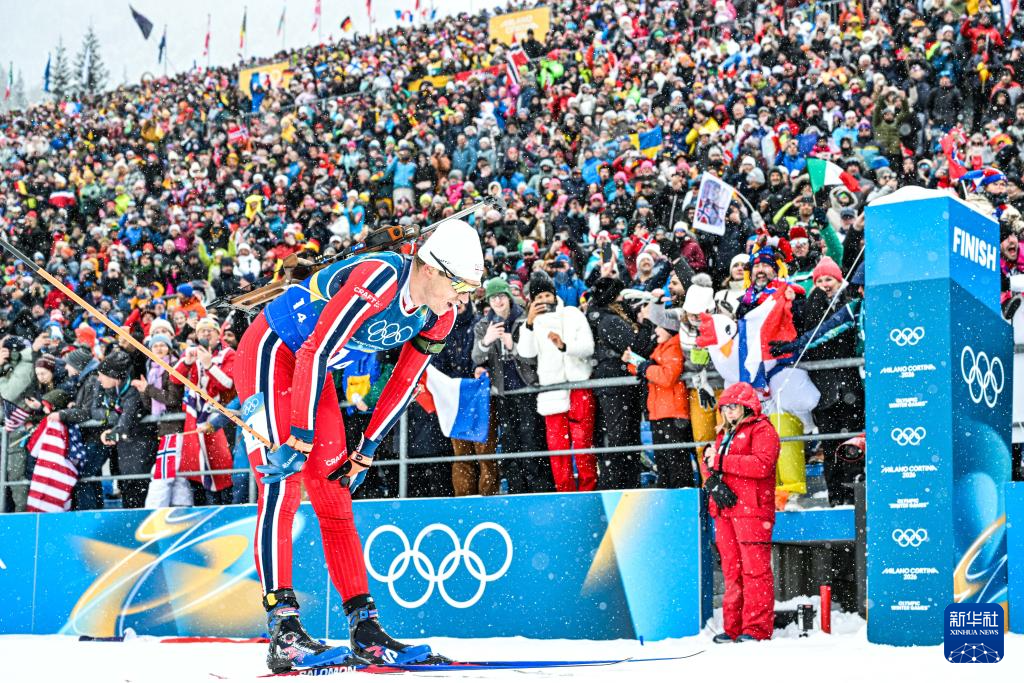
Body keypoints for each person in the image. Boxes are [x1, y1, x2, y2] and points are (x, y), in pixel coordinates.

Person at [233, 218, 483, 672]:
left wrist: (366, 449)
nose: (463, 299)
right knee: (283, 484)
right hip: (273, 353)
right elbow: (314, 349)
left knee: (335, 496)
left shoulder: (439, 315)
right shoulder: (381, 277)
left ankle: (365, 629)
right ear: (430, 268)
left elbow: (405, 382)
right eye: (460, 286)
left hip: (314, 371)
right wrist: (300, 435)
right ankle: (284, 631)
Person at [700, 382, 780, 643]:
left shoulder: (763, 429)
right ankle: (733, 627)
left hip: (752, 511)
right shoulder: (724, 433)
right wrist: (712, 480)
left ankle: (756, 629)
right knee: (732, 572)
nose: (729, 411)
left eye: (734, 406)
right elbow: (710, 464)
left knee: (755, 571)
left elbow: (762, 465)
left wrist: (720, 462)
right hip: (725, 511)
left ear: (747, 407)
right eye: (725, 407)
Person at [515, 271, 596, 492]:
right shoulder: (531, 324)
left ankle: (589, 491)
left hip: (578, 388)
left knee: (583, 446)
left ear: (554, 295)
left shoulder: (572, 314)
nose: (544, 301)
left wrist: (564, 346)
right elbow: (526, 353)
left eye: (547, 296)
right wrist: (529, 323)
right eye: (538, 297)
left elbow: (588, 347)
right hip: (551, 392)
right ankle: (565, 493)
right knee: (558, 451)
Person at [623, 304, 694, 488]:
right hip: (659, 412)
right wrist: (633, 361)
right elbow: (650, 368)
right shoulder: (662, 347)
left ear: (670, 328)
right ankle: (668, 493)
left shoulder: (674, 347)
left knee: (675, 463)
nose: (655, 330)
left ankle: (680, 494)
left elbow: (667, 376)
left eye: (659, 326)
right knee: (664, 462)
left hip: (672, 413)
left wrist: (645, 368)